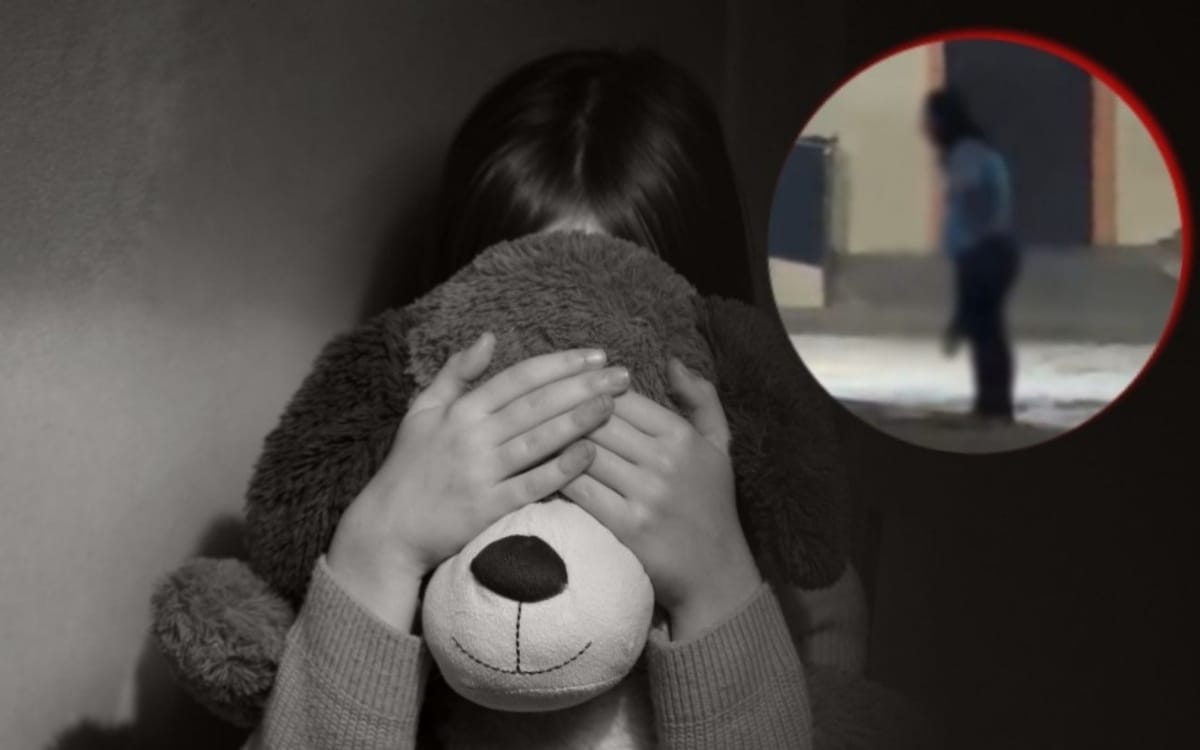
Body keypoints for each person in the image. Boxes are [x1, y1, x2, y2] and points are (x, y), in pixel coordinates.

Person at [247, 49, 867, 750]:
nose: (563, 406)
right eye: (519, 350)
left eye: (613, 352)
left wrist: (716, 585)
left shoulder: (800, 592)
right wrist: (378, 552)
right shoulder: (390, 532)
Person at [923, 87, 1021, 423]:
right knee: (987, 330)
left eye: (930, 119)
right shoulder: (976, 151)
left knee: (986, 331)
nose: (926, 127)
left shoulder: (966, 153)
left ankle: (994, 406)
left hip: (984, 252)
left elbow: (972, 194)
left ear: (943, 120)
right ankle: (992, 404)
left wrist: (973, 236)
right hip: (988, 251)